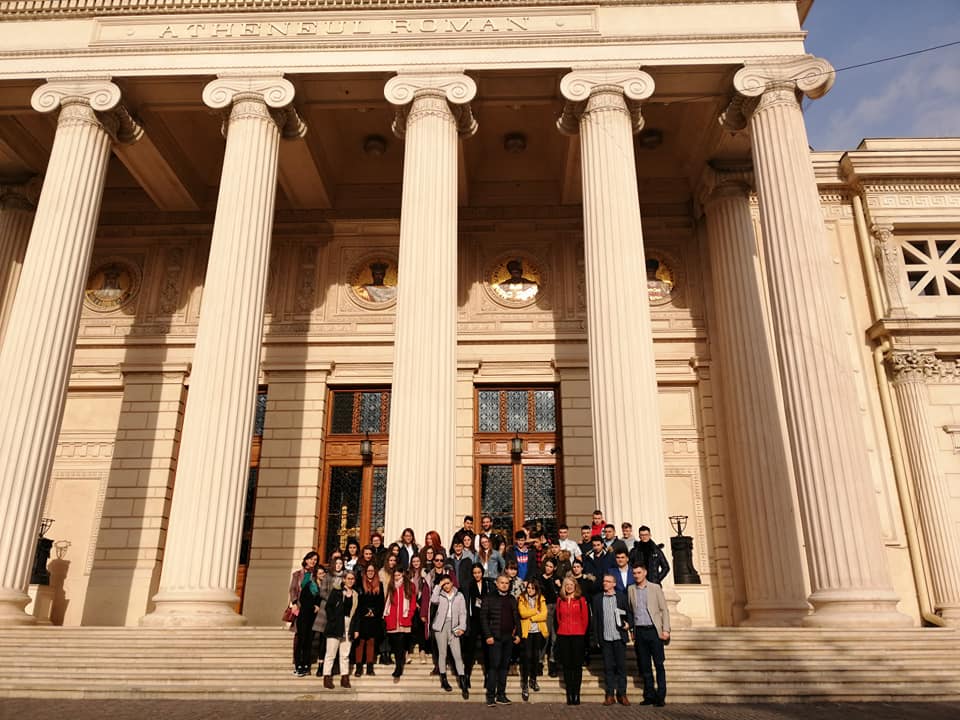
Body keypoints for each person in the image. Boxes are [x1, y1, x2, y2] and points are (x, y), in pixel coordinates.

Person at [628, 564, 671, 707]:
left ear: (645, 573)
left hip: (654, 631)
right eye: (634, 573)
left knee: (659, 664)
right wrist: (632, 630)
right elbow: (631, 611)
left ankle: (661, 696)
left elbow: (664, 610)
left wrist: (666, 629)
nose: (636, 575)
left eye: (639, 572)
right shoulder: (631, 589)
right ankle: (649, 695)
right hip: (640, 632)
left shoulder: (655, 588)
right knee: (645, 666)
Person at [480, 574, 522, 706]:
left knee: (504, 667)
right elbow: (483, 618)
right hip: (495, 638)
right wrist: (488, 635)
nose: (504, 585)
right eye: (502, 583)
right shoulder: (489, 598)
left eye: (506, 583)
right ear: (496, 584)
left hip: (508, 638)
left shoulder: (512, 599)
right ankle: (490, 696)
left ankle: (501, 695)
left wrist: (518, 634)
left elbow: (517, 618)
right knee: (494, 667)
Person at [592, 573, 632, 706]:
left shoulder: (621, 597)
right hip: (606, 638)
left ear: (614, 584)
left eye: (608, 581)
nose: (605, 583)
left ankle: (622, 694)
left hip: (619, 637)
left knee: (621, 667)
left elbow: (629, 613)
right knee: (608, 667)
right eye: (604, 581)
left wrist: (629, 625)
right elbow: (596, 620)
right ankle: (610, 695)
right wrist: (596, 639)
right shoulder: (597, 599)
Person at [430, 574, 469, 698]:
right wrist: (439, 585)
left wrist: (462, 627)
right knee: (443, 654)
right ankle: (444, 680)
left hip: (454, 627)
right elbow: (433, 600)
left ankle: (463, 682)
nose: (446, 586)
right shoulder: (439, 594)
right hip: (441, 627)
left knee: (457, 655)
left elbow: (463, 613)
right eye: (444, 584)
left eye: (448, 583)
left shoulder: (459, 595)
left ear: (452, 583)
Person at [555, 576, 589, 705]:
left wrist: (580, 631)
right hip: (564, 635)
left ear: (575, 586)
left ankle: (576, 693)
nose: (569, 587)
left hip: (578, 635)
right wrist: (564, 628)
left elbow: (585, 619)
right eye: (566, 585)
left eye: (571, 584)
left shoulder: (581, 600)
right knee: (567, 665)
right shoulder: (560, 600)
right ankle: (569, 693)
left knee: (577, 666)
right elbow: (558, 618)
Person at [323, 569, 358, 689]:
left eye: (352, 579)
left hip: (349, 625)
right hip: (336, 625)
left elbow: (356, 614)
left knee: (345, 654)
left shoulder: (355, 594)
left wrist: (356, 629)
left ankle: (344, 677)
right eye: (348, 578)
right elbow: (328, 607)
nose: (350, 581)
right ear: (344, 579)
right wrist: (333, 620)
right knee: (331, 653)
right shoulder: (337, 592)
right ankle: (327, 677)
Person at [383, 568, 417, 682]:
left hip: (404, 619)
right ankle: (399, 664)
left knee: (401, 643)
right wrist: (387, 617)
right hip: (392, 619)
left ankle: (399, 667)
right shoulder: (391, 585)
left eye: (398, 575)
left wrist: (410, 614)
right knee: (396, 644)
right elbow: (387, 601)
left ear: (402, 574)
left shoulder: (410, 586)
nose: (396, 577)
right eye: (395, 575)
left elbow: (412, 602)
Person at [517, 579, 548, 702]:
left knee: (535, 657)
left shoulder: (541, 598)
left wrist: (532, 618)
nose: (530, 590)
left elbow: (544, 614)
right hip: (527, 632)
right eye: (528, 588)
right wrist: (535, 611)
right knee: (526, 657)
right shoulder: (522, 598)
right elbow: (522, 613)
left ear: (536, 589)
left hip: (538, 632)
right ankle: (524, 683)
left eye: (532, 588)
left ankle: (533, 680)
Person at [464, 562, 494, 688]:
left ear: (482, 572)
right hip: (473, 619)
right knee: (470, 648)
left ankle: (488, 675)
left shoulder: (488, 584)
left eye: (479, 572)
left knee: (487, 648)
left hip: (485, 620)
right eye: (475, 573)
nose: (477, 575)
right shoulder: (469, 585)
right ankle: (466, 675)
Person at [292, 551, 321, 677]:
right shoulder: (298, 574)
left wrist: (318, 604)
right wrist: (294, 603)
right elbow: (293, 589)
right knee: (300, 637)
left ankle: (306, 664)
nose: (313, 561)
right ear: (306, 560)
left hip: (312, 610)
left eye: (315, 560)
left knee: (309, 638)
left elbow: (319, 592)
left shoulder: (317, 575)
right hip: (300, 609)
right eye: (311, 559)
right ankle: (298, 664)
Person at [353, 563, 384, 677]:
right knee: (360, 642)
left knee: (371, 642)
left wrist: (374, 612)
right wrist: (366, 611)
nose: (370, 573)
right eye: (368, 571)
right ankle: (358, 667)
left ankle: (370, 667)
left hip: (374, 618)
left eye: (372, 571)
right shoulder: (360, 584)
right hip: (362, 617)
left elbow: (381, 601)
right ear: (365, 572)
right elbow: (358, 601)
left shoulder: (380, 584)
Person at [538, 557, 561, 676]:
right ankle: (539, 662)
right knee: (545, 636)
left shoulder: (557, 579)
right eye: (547, 566)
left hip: (556, 607)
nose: (548, 568)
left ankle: (552, 662)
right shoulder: (539, 578)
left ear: (554, 568)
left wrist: (559, 585)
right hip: (544, 607)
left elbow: (562, 594)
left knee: (554, 637)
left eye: (551, 566)